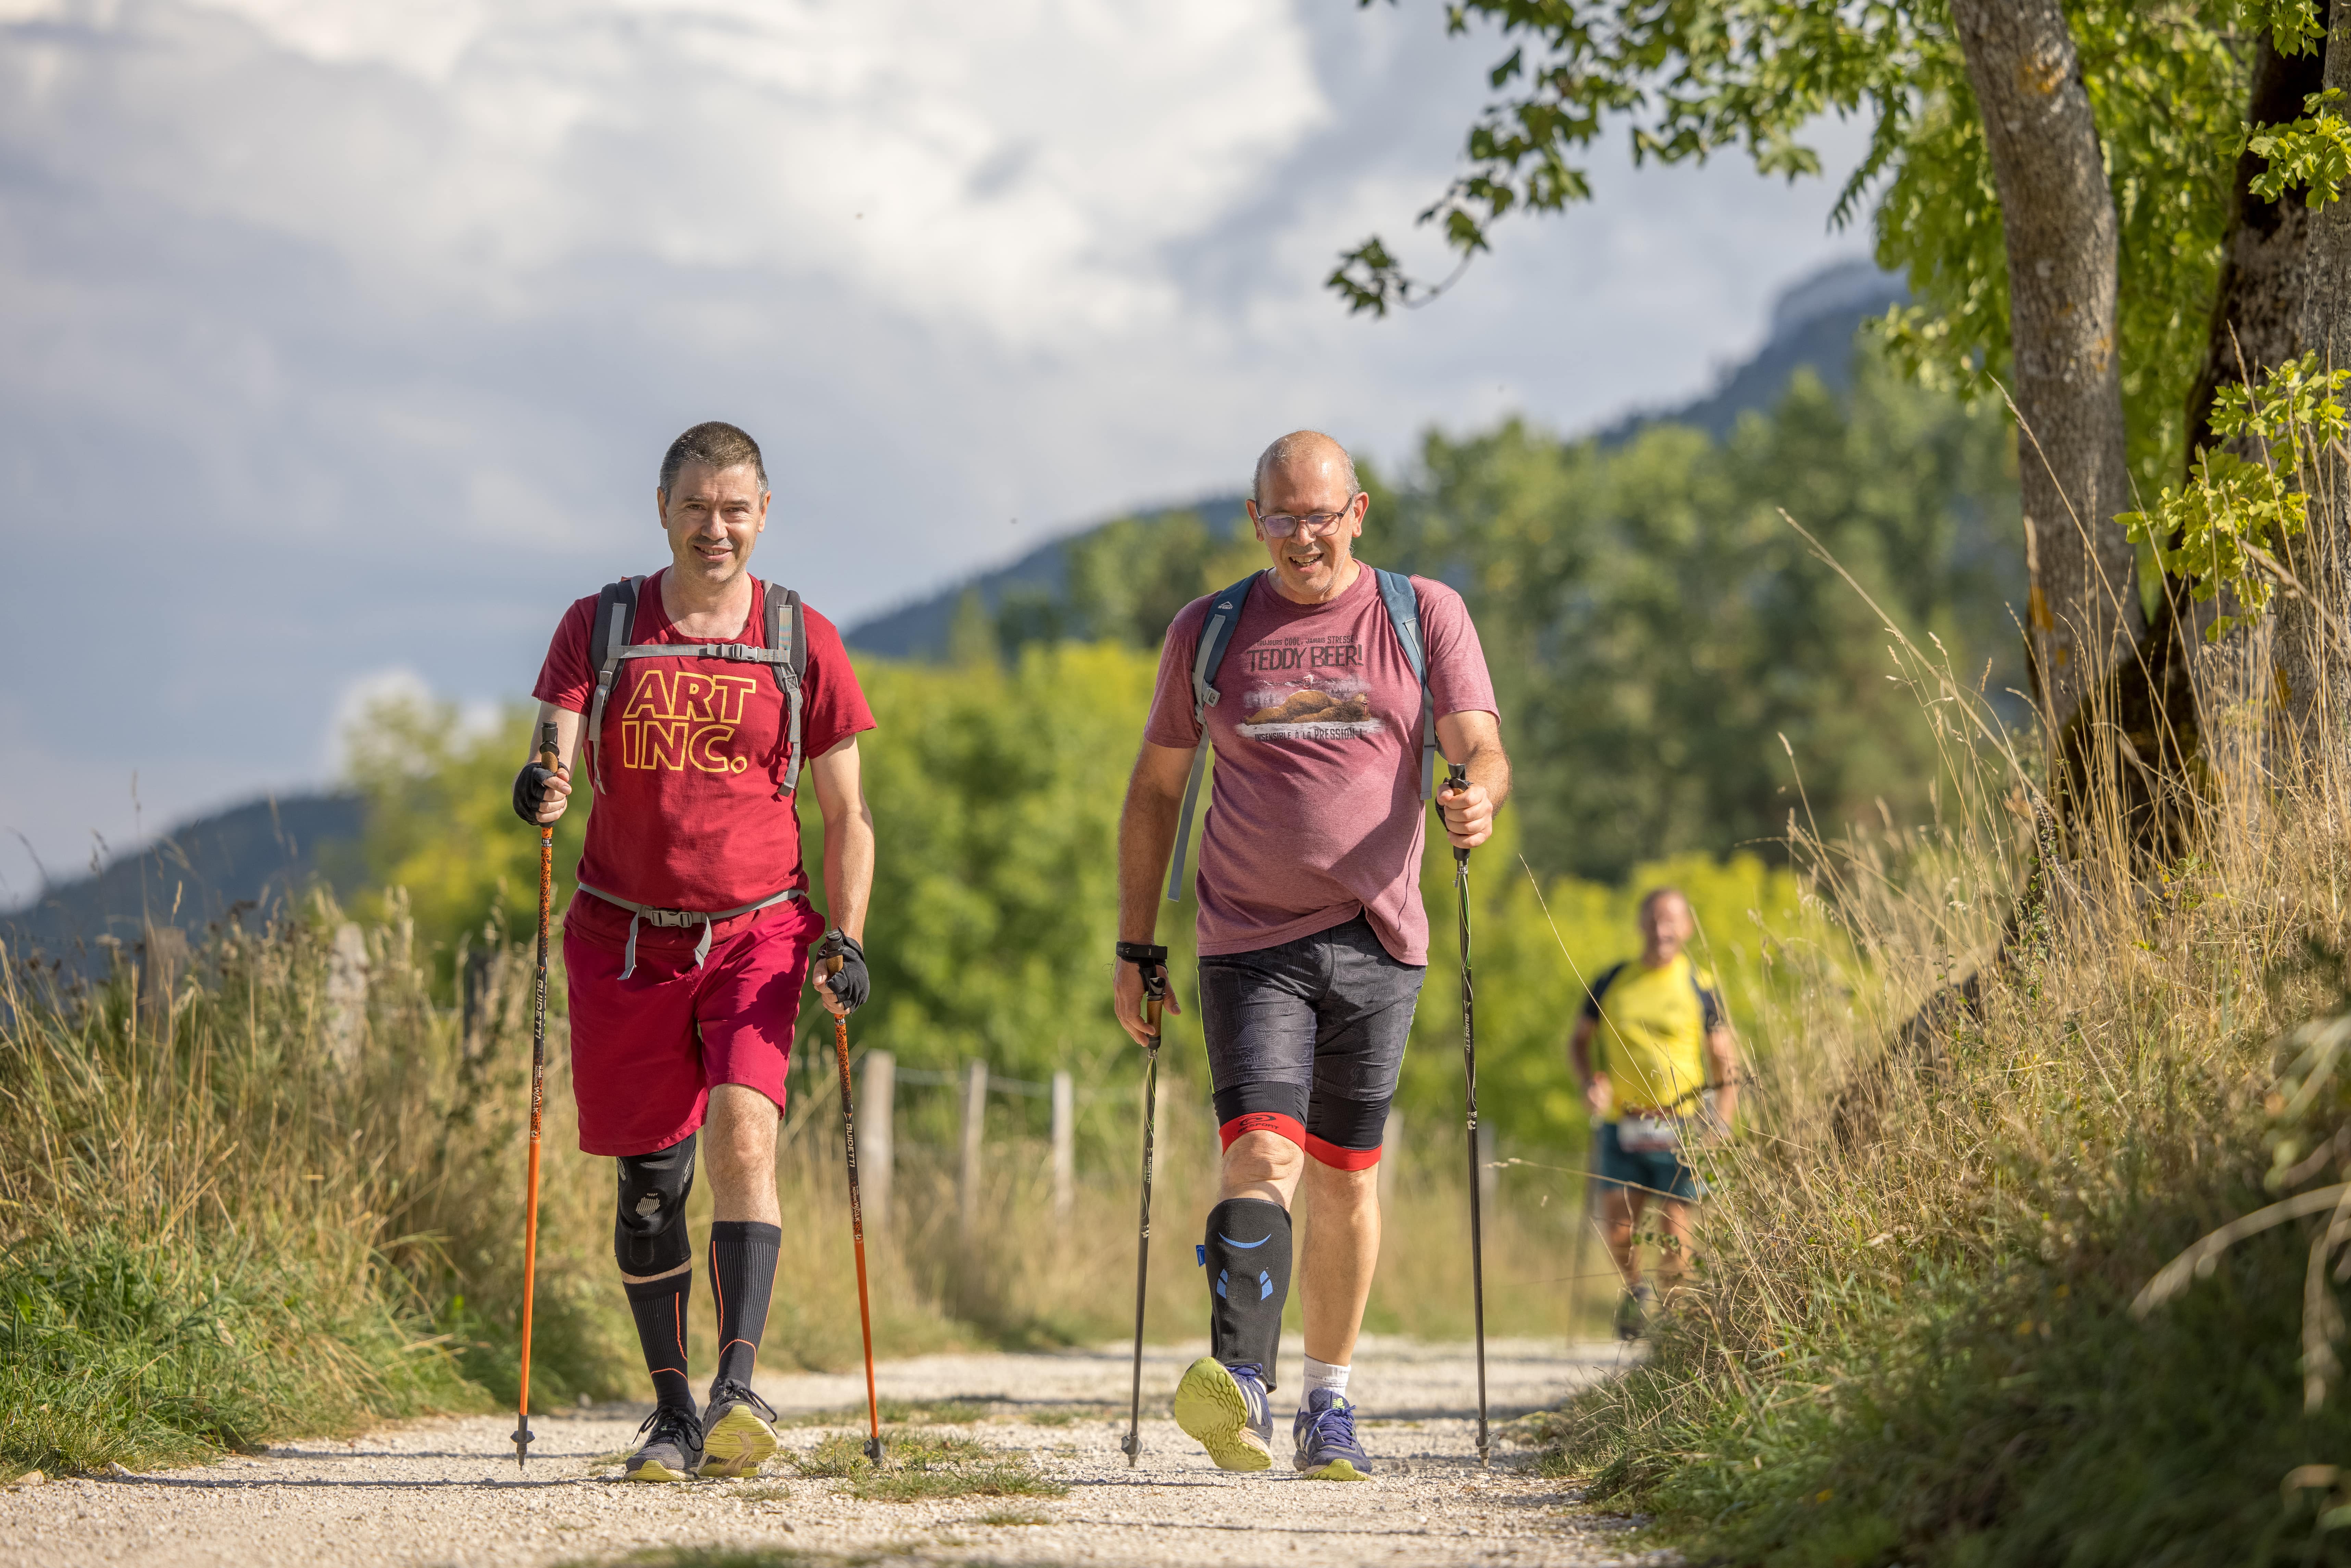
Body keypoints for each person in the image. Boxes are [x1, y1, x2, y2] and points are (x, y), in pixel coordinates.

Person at [1112, 429, 1511, 1481]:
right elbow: (1156, 790)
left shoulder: (1422, 614)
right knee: (1264, 1152)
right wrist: (1135, 946)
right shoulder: (1211, 630)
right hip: (1248, 937)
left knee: (1343, 1178)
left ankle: (1328, 1404)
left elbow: (1478, 742)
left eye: (1320, 515)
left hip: (1382, 937)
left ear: (1359, 511)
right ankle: (1241, 1378)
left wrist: (1478, 797)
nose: (1302, 536)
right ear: (1256, 521)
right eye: (1281, 517)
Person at [514, 421, 877, 1482]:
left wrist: (846, 935)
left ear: (764, 515)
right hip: (622, 937)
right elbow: (553, 751)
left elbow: (848, 812)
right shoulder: (604, 622)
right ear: (662, 511)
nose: (714, 528)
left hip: (759, 931)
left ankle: (738, 1387)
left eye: (734, 509)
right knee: (648, 1184)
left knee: (744, 1139)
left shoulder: (803, 637)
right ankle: (671, 1409)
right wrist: (540, 785)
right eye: (695, 507)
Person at [1568, 887, 1739, 1340]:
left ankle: (1672, 1323)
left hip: (1680, 1124)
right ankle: (1635, 1289)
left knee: (1674, 1232)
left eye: (1671, 921)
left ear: (1686, 928)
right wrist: (1589, 1082)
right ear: (1640, 924)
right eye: (1653, 919)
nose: (1661, 929)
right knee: (1618, 1226)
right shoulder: (1611, 980)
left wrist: (1722, 1117)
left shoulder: (1698, 985)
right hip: (1622, 1123)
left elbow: (1724, 1058)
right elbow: (1578, 1041)